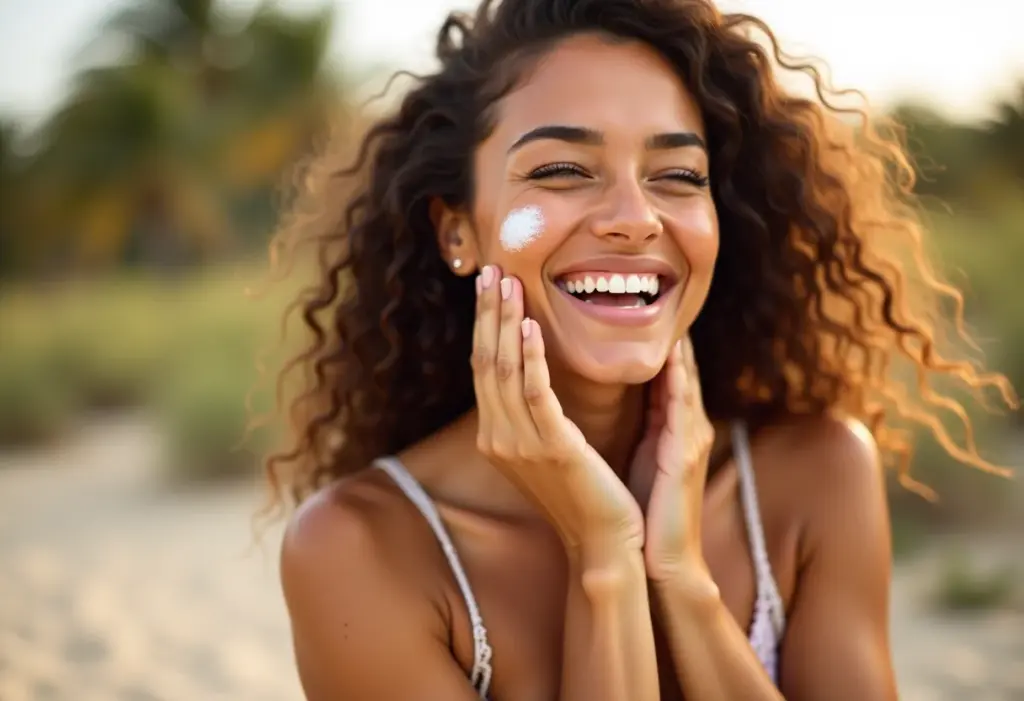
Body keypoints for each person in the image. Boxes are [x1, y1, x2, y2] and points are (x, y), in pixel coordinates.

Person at [263, 0, 1017, 699]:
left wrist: (682, 578)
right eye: (562, 171)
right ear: (457, 231)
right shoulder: (361, 547)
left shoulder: (815, 476)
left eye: (678, 176)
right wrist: (604, 557)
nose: (634, 217)